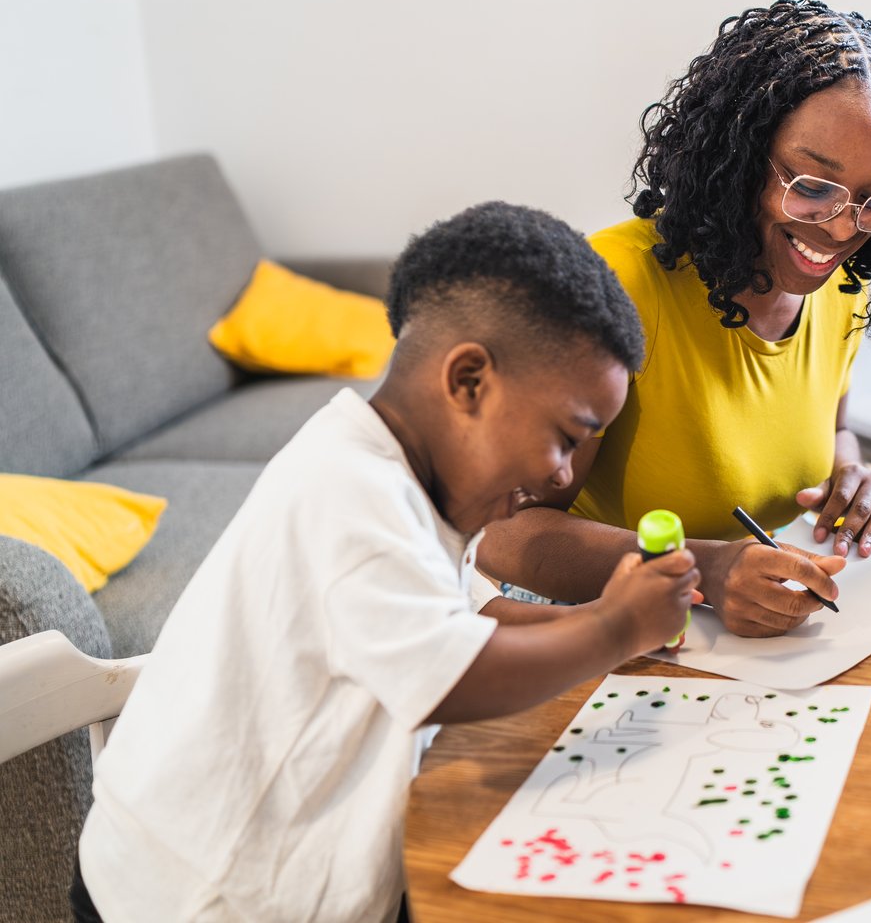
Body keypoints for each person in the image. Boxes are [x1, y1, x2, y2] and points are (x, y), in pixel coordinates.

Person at [74, 203, 699, 922]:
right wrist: (616, 629)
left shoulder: (407, 478)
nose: (564, 477)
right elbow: (453, 677)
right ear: (468, 381)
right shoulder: (349, 493)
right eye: (567, 436)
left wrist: (600, 619)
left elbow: (472, 615)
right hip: (199, 895)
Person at [477, 0, 871, 637]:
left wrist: (854, 478)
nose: (841, 229)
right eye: (811, 186)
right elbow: (505, 535)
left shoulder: (841, 288)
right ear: (741, 160)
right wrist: (705, 570)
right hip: (591, 629)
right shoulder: (620, 285)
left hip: (747, 637)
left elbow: (831, 432)